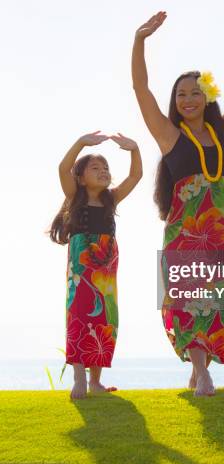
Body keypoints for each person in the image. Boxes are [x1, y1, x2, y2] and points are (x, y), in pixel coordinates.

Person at [132, 10, 224, 396]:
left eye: (194, 92)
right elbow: (141, 90)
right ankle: (202, 373)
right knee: (190, 304)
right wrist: (139, 41)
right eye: (181, 94)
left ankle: (199, 367)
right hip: (185, 235)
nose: (187, 99)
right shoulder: (171, 137)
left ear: (207, 97)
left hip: (221, 234)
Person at [49, 131, 142, 399]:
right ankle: (79, 378)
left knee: (105, 318)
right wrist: (80, 143)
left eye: (106, 168)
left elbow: (135, 176)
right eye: (95, 168)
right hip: (81, 265)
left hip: (107, 265)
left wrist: (134, 149)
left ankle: (96, 381)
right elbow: (62, 168)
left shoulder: (110, 199)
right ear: (81, 177)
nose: (103, 171)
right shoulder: (75, 195)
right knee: (79, 315)